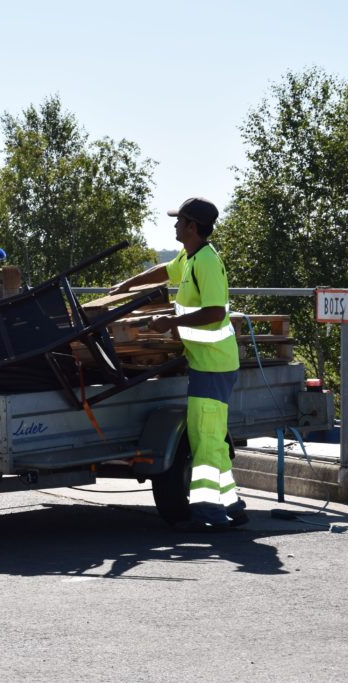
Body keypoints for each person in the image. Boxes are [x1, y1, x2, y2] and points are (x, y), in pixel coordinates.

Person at [110, 197, 247, 530]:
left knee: (206, 442)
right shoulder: (190, 257)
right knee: (209, 439)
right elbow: (163, 272)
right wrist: (127, 285)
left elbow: (215, 312)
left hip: (213, 366)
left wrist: (170, 323)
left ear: (192, 226)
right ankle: (232, 504)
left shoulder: (207, 263)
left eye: (179, 220)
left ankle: (209, 511)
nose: (174, 225)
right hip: (205, 364)